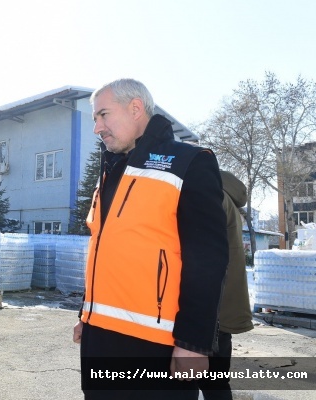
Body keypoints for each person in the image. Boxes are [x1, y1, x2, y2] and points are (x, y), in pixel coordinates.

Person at [72, 79, 228, 399]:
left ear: (135, 108)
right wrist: (84, 316)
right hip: (99, 340)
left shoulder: (189, 162)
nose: (97, 128)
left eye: (103, 115)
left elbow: (207, 259)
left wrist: (194, 342)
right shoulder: (111, 172)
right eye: (94, 119)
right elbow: (104, 251)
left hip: (156, 346)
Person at [199, 170, 254, 399]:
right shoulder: (225, 194)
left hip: (207, 312)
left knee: (207, 383)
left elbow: (201, 257)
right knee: (216, 382)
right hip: (222, 310)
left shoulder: (209, 196)